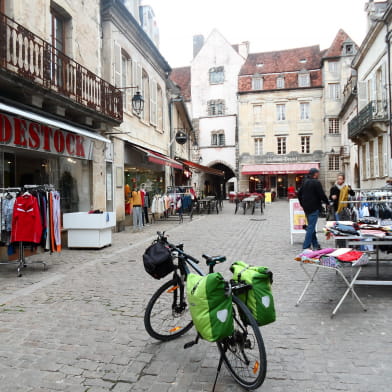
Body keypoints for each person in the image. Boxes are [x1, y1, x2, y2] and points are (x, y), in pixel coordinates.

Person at [297, 168, 329, 251]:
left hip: (306, 208)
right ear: (315, 174)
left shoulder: (305, 182)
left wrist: (302, 204)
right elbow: (321, 194)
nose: (318, 175)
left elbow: (299, 194)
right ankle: (306, 246)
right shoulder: (316, 182)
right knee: (311, 227)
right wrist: (327, 202)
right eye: (318, 174)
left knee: (311, 226)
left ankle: (315, 244)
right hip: (314, 207)